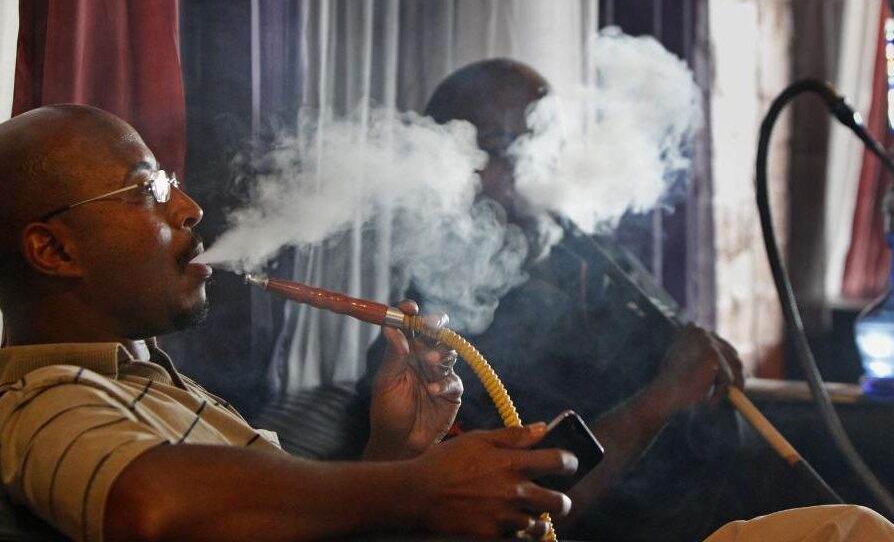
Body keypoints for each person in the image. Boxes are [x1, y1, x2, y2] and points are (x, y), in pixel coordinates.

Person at [0, 103, 578, 542]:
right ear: (54, 250)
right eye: (147, 187)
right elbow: (146, 503)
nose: (189, 208)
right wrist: (421, 487)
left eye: (170, 182)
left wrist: (394, 450)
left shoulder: (151, 386)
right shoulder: (40, 400)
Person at [350, 58, 844, 541]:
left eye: (544, 142)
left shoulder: (594, 258)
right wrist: (660, 399)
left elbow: (693, 369)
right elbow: (520, 515)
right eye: (504, 145)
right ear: (447, 164)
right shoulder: (428, 344)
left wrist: (701, 367)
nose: (533, 165)